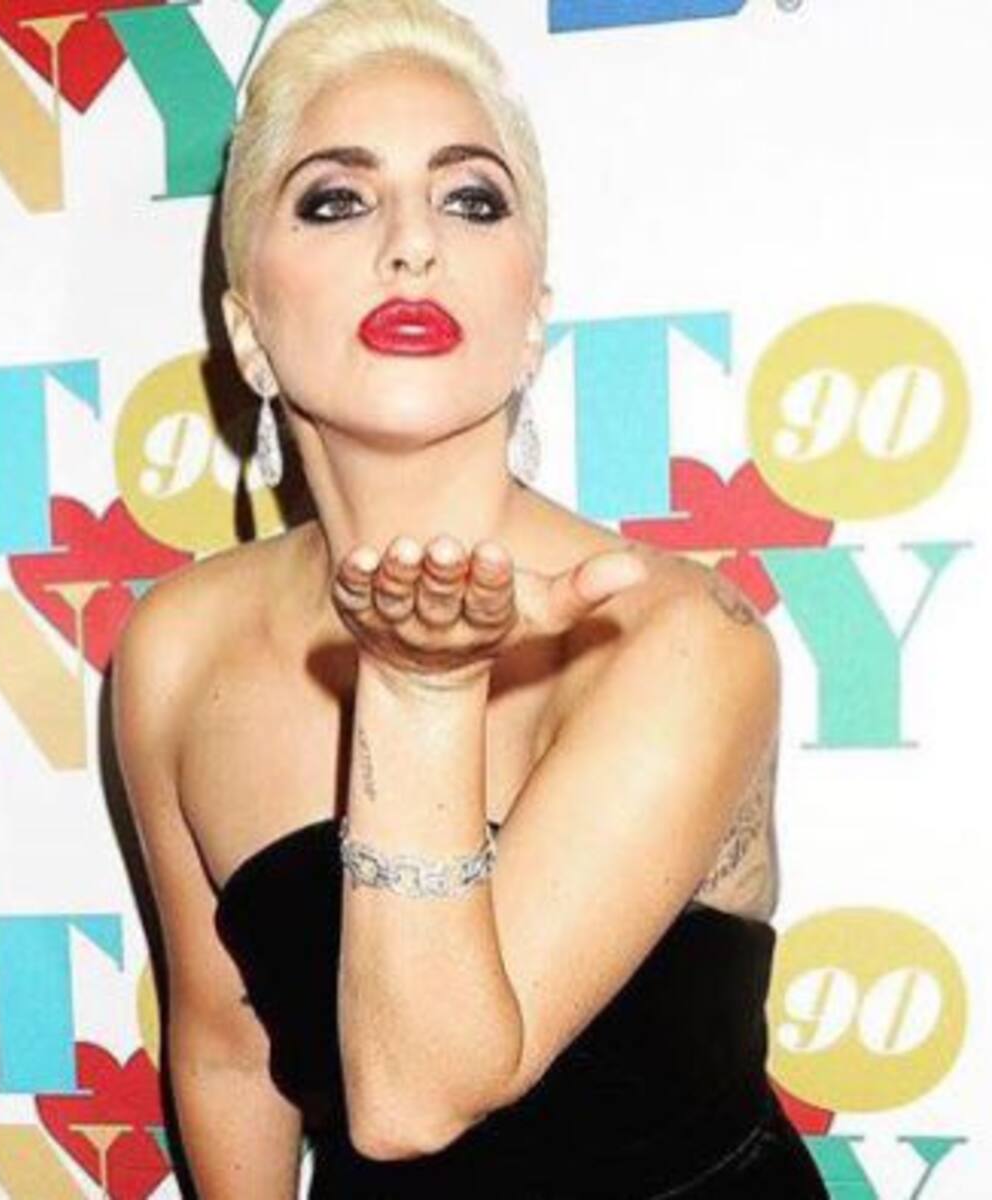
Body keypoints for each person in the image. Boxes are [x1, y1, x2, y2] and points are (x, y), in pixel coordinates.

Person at [111, 0, 829, 1195]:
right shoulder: (179, 647)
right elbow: (229, 1052)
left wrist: (420, 688)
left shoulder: (677, 638)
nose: (412, 244)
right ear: (248, 330)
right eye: (336, 200)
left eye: (471, 199)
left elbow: (416, 1095)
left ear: (533, 311)